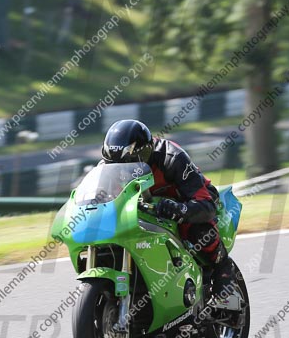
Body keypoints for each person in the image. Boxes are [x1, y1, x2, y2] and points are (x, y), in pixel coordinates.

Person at [101, 119, 236, 299]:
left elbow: (207, 205)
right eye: (116, 165)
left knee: (198, 231)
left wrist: (179, 209)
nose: (121, 171)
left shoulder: (172, 157)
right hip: (143, 213)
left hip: (185, 204)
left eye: (129, 162)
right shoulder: (108, 167)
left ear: (144, 153)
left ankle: (223, 267)